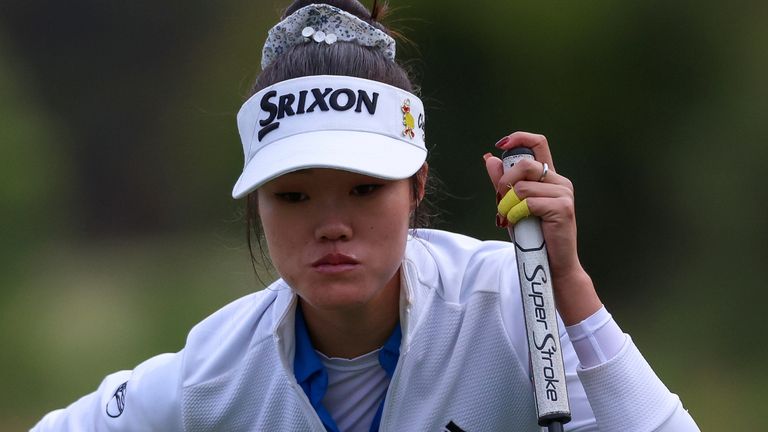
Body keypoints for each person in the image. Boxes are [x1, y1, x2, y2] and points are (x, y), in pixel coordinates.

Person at [32, 1, 701, 431]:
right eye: (293, 196)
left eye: (363, 189)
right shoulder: (216, 368)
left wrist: (570, 288)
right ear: (256, 207)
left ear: (415, 189)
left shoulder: (511, 300)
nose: (331, 225)